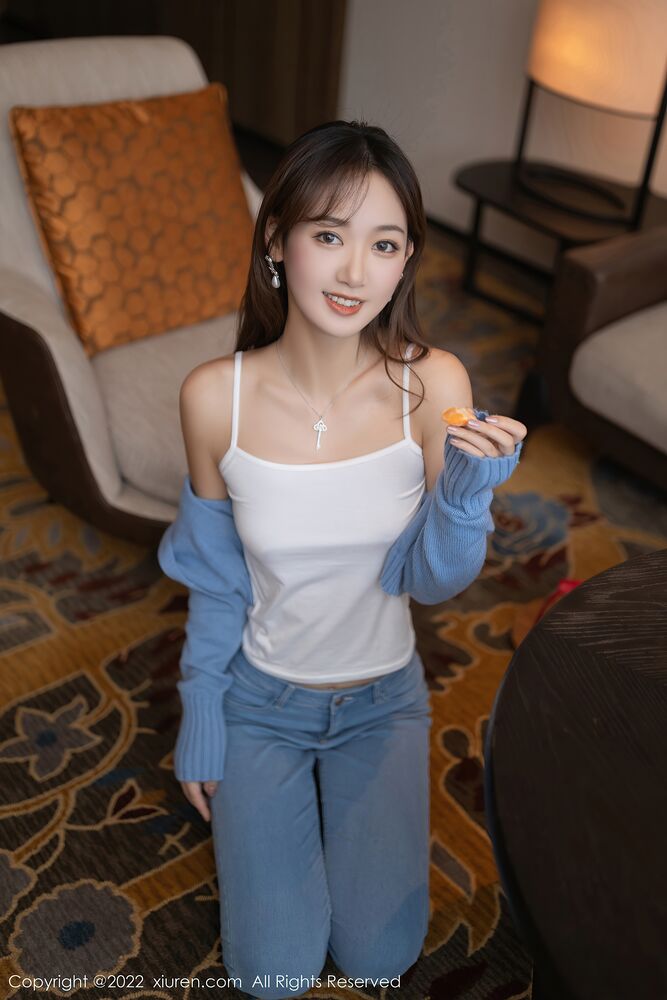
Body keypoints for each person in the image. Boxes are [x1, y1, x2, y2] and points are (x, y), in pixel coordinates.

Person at [158, 119, 526, 999]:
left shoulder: (432, 385)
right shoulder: (213, 398)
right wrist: (201, 711)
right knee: (273, 975)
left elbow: (430, 582)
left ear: (405, 263)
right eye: (329, 235)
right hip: (260, 702)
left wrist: (462, 498)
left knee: (379, 957)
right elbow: (216, 577)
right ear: (276, 240)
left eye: (383, 244)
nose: (355, 271)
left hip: (382, 702)